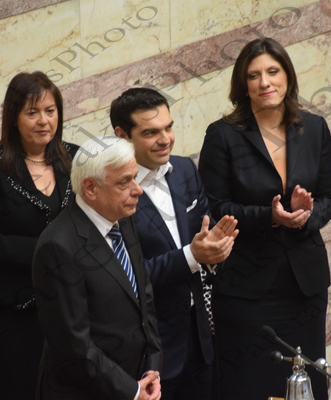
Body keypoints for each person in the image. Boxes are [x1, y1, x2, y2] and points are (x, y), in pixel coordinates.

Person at [197, 38, 331, 400]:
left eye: (273, 71)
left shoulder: (314, 128)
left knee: (307, 384)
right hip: (247, 288)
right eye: (254, 75)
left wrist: (304, 217)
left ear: (287, 76)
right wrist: (271, 217)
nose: (265, 82)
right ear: (242, 84)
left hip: (304, 287)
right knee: (251, 385)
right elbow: (216, 207)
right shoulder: (222, 135)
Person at [110, 87, 238, 400]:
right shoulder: (112, 191)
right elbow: (123, 277)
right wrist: (192, 256)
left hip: (200, 340)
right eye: (151, 132)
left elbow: (204, 236)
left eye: (168, 128)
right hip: (149, 352)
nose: (165, 139)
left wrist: (216, 251)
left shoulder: (184, 170)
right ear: (122, 135)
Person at [0, 71, 78, 399]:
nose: (44, 121)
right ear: (13, 117)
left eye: (50, 111)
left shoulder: (76, 158)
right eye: (32, 112)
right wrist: (42, 250)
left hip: (68, 305)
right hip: (9, 311)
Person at [32, 136, 162, 400]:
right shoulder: (58, 247)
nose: (137, 190)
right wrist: (132, 391)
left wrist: (152, 368)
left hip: (138, 379)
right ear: (90, 188)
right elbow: (74, 345)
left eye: (135, 178)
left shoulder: (122, 218)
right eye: (124, 182)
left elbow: (143, 299)